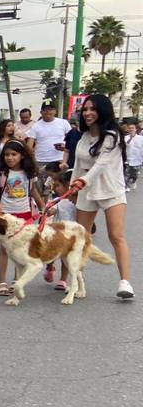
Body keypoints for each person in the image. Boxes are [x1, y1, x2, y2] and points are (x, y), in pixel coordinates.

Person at [71, 94, 132, 300]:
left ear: (102, 111)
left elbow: (101, 164)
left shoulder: (112, 136)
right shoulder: (84, 136)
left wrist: (83, 181)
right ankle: (78, 281)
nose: (87, 113)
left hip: (110, 189)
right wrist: (73, 187)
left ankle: (125, 282)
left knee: (116, 235)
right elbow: (78, 165)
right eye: (85, 109)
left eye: (92, 109)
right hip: (85, 190)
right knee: (81, 237)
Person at [0, 140, 44, 297]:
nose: (10, 158)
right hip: (6, 215)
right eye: (6, 155)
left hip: (25, 214)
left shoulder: (29, 173)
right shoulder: (2, 173)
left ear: (22, 155)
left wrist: (43, 207)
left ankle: (17, 279)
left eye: (14, 154)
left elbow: (33, 191)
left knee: (21, 249)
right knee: (5, 248)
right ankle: (1, 282)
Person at [123, 120, 141, 191]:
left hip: (137, 160)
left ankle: (133, 181)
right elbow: (126, 144)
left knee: (134, 174)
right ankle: (126, 186)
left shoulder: (141, 138)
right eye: (130, 128)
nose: (131, 129)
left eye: (132, 128)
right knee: (126, 174)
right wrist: (131, 137)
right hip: (128, 159)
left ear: (136, 129)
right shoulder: (126, 137)